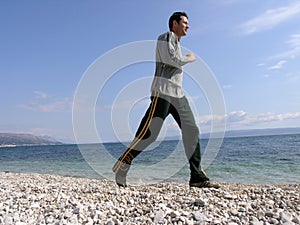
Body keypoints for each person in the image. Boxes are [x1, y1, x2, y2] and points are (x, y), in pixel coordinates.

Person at [112, 12, 220, 189]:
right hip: (162, 93)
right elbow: (170, 60)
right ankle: (123, 164)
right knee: (147, 135)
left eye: (187, 23)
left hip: (178, 95)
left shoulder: (176, 43)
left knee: (191, 131)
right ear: (174, 23)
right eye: (184, 22)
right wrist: (189, 58)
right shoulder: (165, 37)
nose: (188, 26)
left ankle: (197, 177)